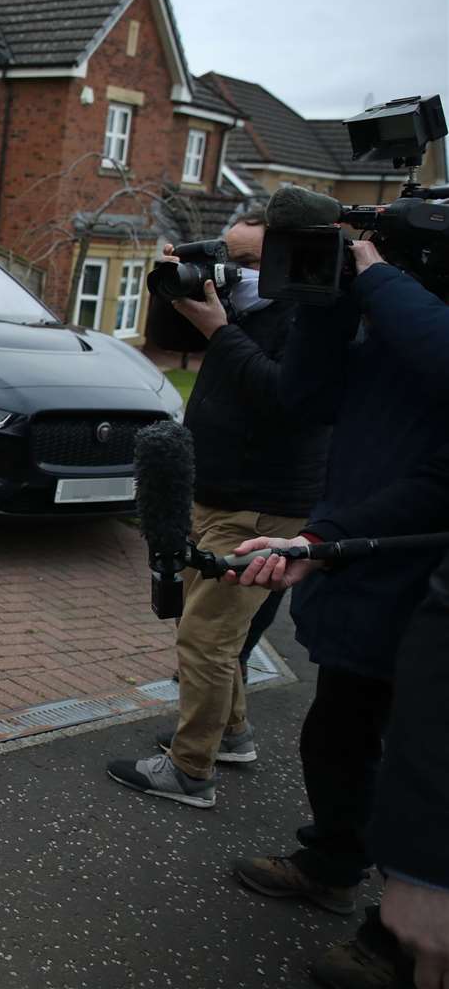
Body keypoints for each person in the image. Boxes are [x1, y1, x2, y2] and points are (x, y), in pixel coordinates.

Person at [222, 235, 449, 931]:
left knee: (422, 760)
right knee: (337, 735)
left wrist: (378, 279)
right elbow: (305, 396)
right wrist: (322, 300)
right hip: (360, 565)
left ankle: (402, 927)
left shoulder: (420, 326)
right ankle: (333, 865)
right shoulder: (390, 335)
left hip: (420, 583)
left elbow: (436, 484)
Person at [107, 215, 329, 808]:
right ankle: (230, 735)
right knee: (207, 629)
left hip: (261, 509)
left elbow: (288, 403)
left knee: (205, 639)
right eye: (222, 255)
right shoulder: (241, 306)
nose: (231, 270)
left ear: (284, 266)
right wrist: (174, 284)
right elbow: (172, 340)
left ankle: (190, 770)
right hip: (214, 491)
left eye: (244, 260)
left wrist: (223, 330)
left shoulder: (309, 318)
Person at [230, 445, 449, 989]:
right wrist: (320, 541)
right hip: (383, 590)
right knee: (337, 732)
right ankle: (334, 866)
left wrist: (430, 868)